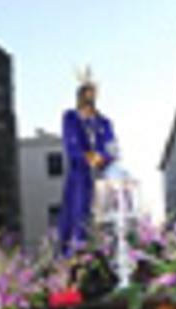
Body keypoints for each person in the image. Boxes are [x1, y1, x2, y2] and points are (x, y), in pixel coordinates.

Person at [58, 66, 119, 251]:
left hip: (102, 175)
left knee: (107, 214)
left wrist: (103, 158)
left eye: (92, 94)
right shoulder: (71, 118)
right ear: (79, 96)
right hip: (80, 175)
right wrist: (87, 157)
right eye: (85, 94)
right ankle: (76, 252)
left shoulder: (104, 122)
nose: (89, 98)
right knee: (78, 214)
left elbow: (112, 146)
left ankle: (107, 249)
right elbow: (71, 143)